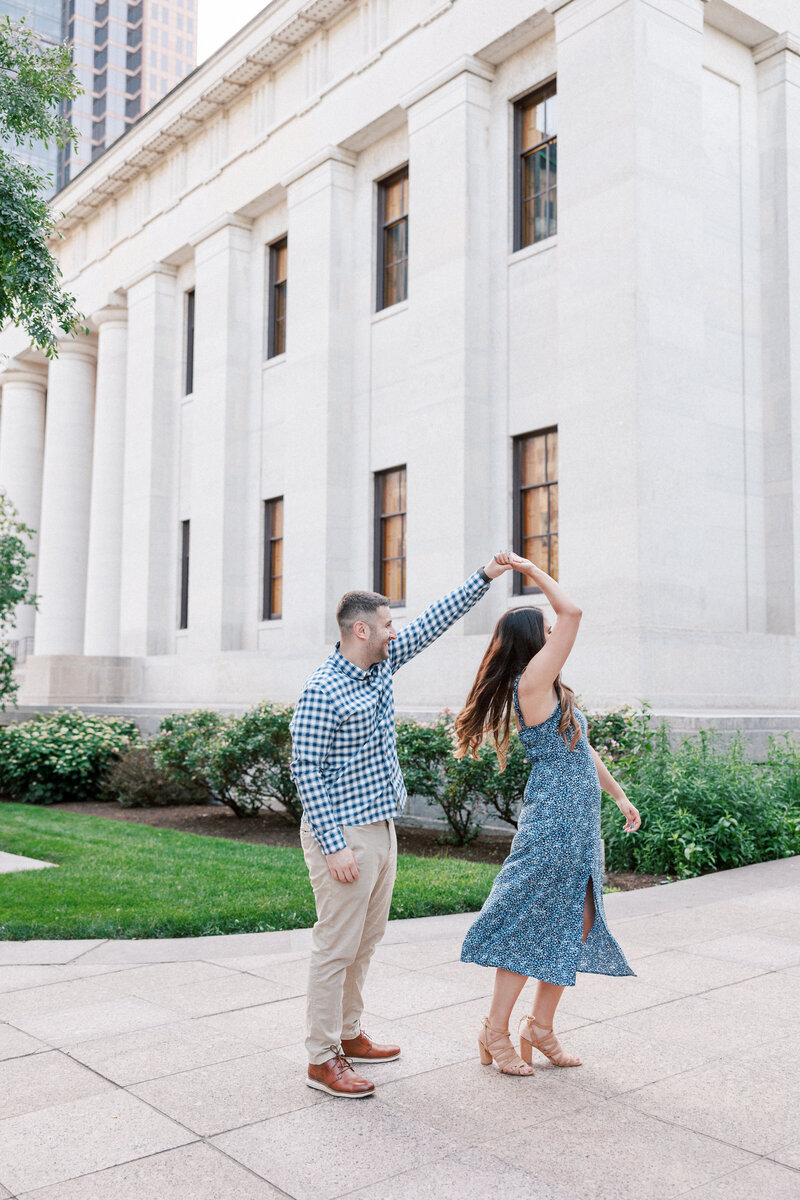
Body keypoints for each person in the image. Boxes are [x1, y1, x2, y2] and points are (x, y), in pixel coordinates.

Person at [290, 555, 510, 1097]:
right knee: (336, 944)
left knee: (365, 940)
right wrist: (335, 844)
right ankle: (322, 1059)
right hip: (343, 833)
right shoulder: (323, 690)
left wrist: (482, 578)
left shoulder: (381, 665)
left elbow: (433, 624)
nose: (396, 632)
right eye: (387, 624)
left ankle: (349, 1034)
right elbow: (306, 772)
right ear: (360, 630)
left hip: (380, 828)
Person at [457, 551, 641, 1076]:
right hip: (553, 825)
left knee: (578, 922)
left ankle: (539, 1026)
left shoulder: (554, 689)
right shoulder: (532, 685)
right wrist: (529, 571)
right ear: (532, 640)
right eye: (544, 623)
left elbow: (582, 749)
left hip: (579, 824)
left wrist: (619, 796)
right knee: (530, 924)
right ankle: (495, 1031)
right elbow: (575, 612)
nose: (554, 624)